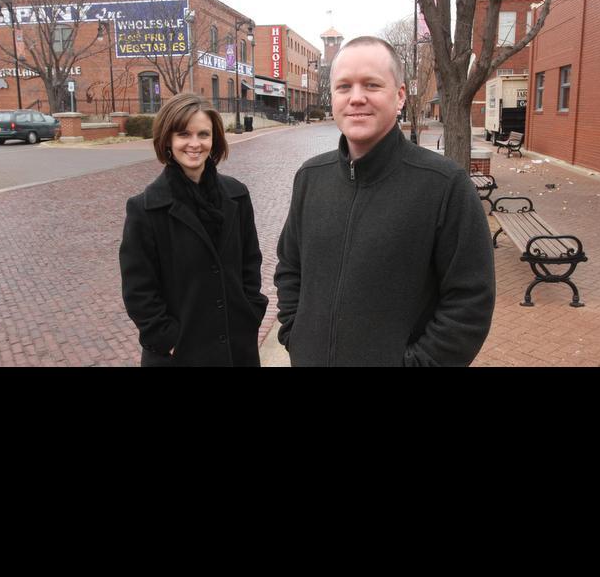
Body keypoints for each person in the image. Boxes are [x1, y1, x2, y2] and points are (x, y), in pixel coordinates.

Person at [274, 36, 495, 366]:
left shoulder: (444, 185)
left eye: (372, 85)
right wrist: (296, 335)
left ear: (400, 95)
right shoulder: (311, 177)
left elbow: (470, 301)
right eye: (344, 86)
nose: (357, 98)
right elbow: (290, 268)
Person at [119, 92, 269, 366]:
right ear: (168, 140)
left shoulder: (236, 195)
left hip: (236, 349)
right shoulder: (145, 209)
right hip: (181, 354)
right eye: (184, 135)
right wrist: (167, 339)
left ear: (214, 140)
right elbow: (138, 290)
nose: (194, 144)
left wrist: (251, 311)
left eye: (203, 134)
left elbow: (250, 261)